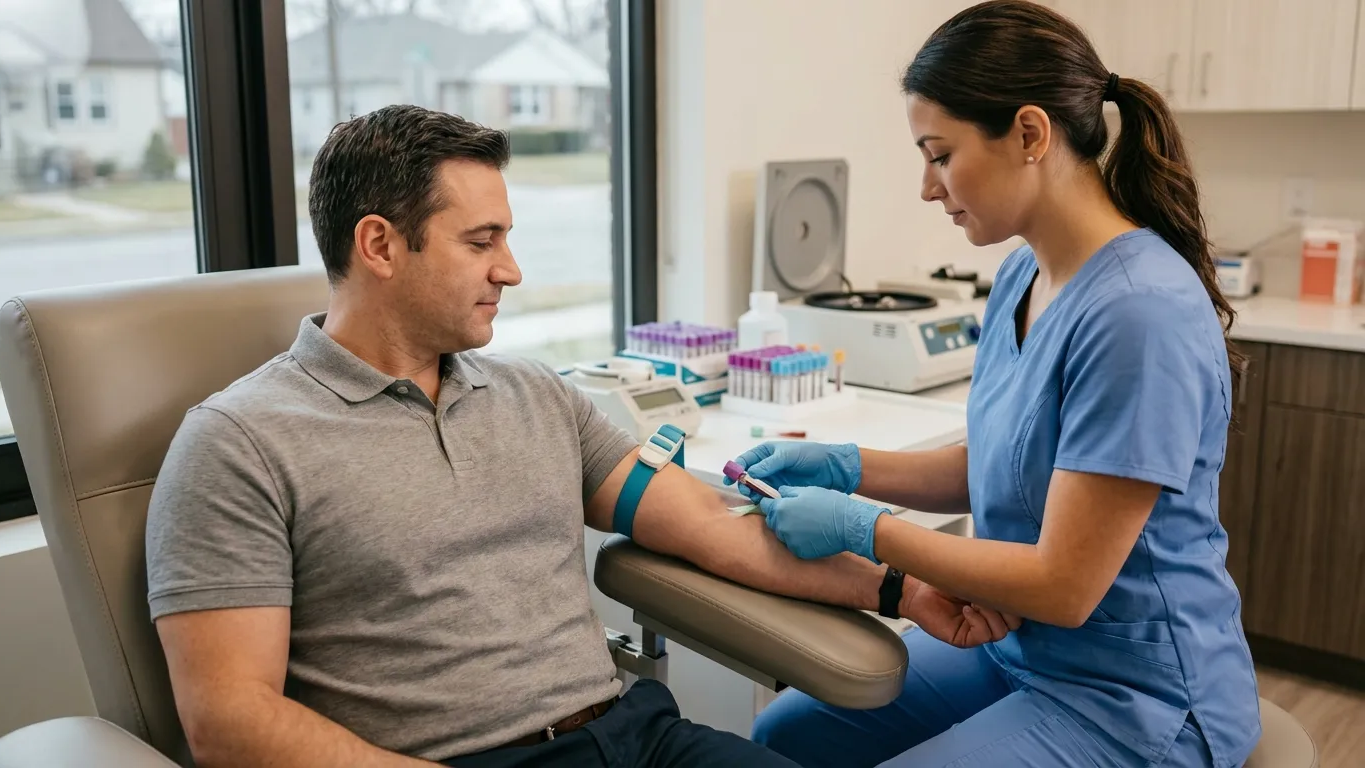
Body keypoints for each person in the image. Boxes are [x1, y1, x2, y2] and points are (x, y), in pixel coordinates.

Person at [143, 104, 1020, 768]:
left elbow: (716, 527)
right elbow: (228, 719)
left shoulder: (534, 397)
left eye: (508, 239)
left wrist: (903, 590)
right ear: (379, 244)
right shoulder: (239, 444)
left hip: (632, 737)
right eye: (481, 241)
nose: (511, 271)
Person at [736, 2, 1261, 767]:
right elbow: (1002, 466)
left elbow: (1063, 584)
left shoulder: (1138, 313)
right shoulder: (1023, 273)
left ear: (1029, 134)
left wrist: (865, 529)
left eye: (939, 154)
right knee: (783, 735)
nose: (926, 186)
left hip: (1136, 694)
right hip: (1017, 644)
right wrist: (848, 464)